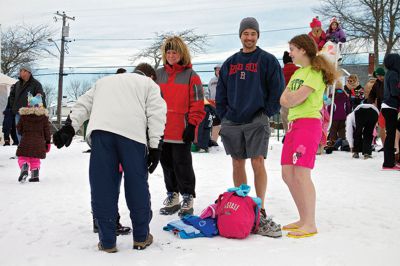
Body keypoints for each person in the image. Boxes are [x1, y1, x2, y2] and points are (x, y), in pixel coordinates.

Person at [52, 63, 167, 252]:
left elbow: (83, 104)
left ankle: (107, 242)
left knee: (103, 186)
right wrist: (155, 146)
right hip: (133, 136)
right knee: (136, 184)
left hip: (102, 133)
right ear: (151, 76)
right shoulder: (149, 84)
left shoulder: (104, 82)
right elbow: (156, 114)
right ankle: (141, 236)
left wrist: (69, 128)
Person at [216, 17, 284, 238]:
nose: (249, 37)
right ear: (240, 35)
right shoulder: (230, 62)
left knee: (258, 161)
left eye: (253, 33)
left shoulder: (267, 60)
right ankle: (244, 202)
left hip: (256, 118)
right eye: (246, 33)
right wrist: (223, 114)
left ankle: (260, 207)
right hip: (233, 119)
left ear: (258, 35)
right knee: (237, 162)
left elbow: (277, 88)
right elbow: (221, 92)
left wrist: (267, 111)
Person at [280, 34, 337, 238]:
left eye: (293, 49)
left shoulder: (314, 72)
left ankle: (310, 222)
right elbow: (284, 98)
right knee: (287, 173)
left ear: (303, 49)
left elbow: (294, 98)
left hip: (308, 124)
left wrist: (290, 99)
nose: (290, 53)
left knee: (302, 173)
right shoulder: (297, 73)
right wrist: (289, 99)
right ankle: (302, 218)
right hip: (293, 125)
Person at [156, 36, 205, 217]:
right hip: (161, 130)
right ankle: (173, 195)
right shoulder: (158, 75)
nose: (171, 55)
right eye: (168, 52)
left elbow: (198, 103)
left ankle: (187, 196)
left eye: (174, 52)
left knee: (182, 165)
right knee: (166, 165)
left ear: (181, 53)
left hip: (181, 131)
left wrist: (192, 125)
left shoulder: (192, 76)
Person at [16, 94, 50, 182]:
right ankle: (35, 176)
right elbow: (47, 131)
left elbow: (19, 129)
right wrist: (48, 142)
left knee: (22, 157)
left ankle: (24, 166)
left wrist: (23, 131)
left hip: (25, 141)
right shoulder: (44, 117)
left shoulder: (24, 116)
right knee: (35, 158)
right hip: (39, 142)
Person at [9, 65, 46, 142]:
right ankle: (21, 149)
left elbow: (40, 96)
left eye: (22, 71)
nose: (20, 73)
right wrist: (13, 106)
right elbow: (11, 96)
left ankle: (29, 150)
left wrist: (39, 96)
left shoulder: (36, 84)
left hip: (30, 113)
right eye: (20, 71)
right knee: (19, 131)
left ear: (28, 72)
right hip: (18, 112)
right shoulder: (17, 84)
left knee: (29, 132)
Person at [381, 53, 400, 170]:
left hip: (388, 106)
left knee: (391, 134)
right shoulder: (393, 74)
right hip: (390, 106)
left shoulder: (390, 73)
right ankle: (388, 163)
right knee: (391, 135)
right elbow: (394, 91)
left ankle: (390, 161)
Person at [281, 51, 299, 133]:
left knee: (288, 129)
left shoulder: (280, 72)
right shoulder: (299, 70)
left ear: (284, 61)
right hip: (298, 101)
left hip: (285, 102)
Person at [368, 67, 386, 147]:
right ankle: (384, 145)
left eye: (380, 76)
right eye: (377, 76)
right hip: (380, 107)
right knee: (382, 127)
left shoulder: (388, 81)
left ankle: (391, 145)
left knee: (390, 127)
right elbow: (371, 94)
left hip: (390, 106)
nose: (379, 78)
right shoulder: (377, 83)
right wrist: (372, 102)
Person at [207, 64, 222, 147]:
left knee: (225, 124)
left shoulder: (226, 79)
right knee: (215, 123)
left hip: (223, 104)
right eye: (216, 69)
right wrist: (208, 101)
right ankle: (214, 142)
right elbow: (207, 91)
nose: (218, 71)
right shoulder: (212, 80)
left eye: (219, 69)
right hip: (212, 104)